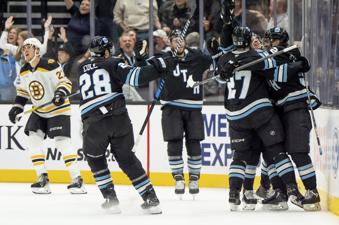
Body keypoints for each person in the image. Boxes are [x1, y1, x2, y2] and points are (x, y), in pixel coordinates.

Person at [78, 36, 175, 214]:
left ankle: (111, 200)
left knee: (95, 158)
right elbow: (136, 78)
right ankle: (151, 198)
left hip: (93, 123)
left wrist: (140, 62)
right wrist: (159, 67)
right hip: (118, 118)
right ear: (106, 51)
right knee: (127, 160)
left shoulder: (81, 68)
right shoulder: (113, 62)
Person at [217, 26, 309, 211]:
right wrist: (297, 63)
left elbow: (219, 77)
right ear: (248, 40)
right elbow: (277, 70)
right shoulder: (257, 57)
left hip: (235, 116)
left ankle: (235, 194)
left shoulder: (224, 59)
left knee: (242, 156)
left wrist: (222, 69)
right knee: (276, 151)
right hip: (259, 112)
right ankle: (291, 190)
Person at [7, 38, 86, 194]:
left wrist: (60, 94)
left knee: (62, 143)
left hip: (58, 109)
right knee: (33, 140)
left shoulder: (49, 64)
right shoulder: (24, 70)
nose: (25, 50)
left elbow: (65, 83)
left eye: (28, 47)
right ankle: (42, 179)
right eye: (23, 48)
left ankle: (77, 181)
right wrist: (17, 107)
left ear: (37, 50)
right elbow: (22, 93)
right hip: (39, 110)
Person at [263, 26, 321, 211]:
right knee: (275, 153)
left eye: (270, 40)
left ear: (277, 41)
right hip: (284, 111)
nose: (268, 44)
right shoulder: (288, 58)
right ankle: (281, 190)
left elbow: (281, 74)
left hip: (296, 108)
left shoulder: (283, 55)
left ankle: (312, 193)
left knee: (297, 152)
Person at [159, 29, 212, 198]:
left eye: (181, 40)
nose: (179, 43)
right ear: (170, 42)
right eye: (175, 40)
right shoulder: (164, 58)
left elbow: (212, 62)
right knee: (174, 142)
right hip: (171, 107)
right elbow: (148, 69)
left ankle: (194, 178)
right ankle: (178, 178)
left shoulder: (196, 56)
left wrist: (214, 49)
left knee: (194, 142)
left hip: (193, 107)